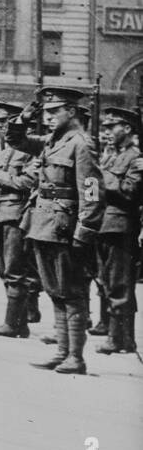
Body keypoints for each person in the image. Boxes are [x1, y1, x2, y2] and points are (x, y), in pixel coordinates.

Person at [7, 87, 103, 375]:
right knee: (55, 291)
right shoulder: (52, 140)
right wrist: (25, 116)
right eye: (45, 112)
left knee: (71, 292)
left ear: (71, 112)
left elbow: (92, 190)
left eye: (53, 111)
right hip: (43, 225)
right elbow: (16, 140)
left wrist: (84, 231)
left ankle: (75, 356)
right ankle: (62, 351)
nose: (47, 117)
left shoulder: (81, 143)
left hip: (65, 227)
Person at [0, 102, 39, 337]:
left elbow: (27, 182)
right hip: (2, 213)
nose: (3, 127)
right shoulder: (6, 151)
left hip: (18, 214)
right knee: (4, 269)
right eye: (1, 123)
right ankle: (17, 320)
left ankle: (14, 322)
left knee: (15, 269)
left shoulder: (30, 149)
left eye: (7, 122)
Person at [90, 106, 142, 354]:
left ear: (128, 129)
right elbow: (91, 191)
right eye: (105, 127)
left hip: (121, 226)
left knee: (120, 284)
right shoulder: (108, 156)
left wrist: (100, 178)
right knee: (107, 282)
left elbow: (131, 192)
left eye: (112, 127)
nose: (106, 131)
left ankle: (118, 337)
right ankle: (123, 338)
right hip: (102, 224)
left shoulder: (136, 158)